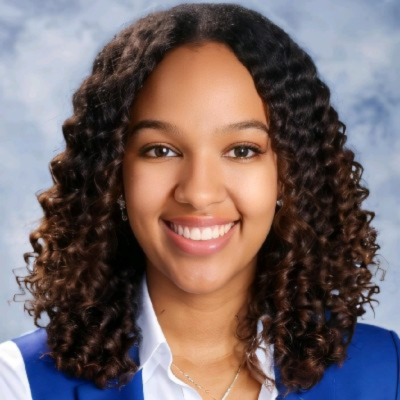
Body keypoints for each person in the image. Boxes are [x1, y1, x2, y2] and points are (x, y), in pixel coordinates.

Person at [0, 2, 399, 399]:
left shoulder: (387, 372)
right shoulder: (18, 383)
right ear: (113, 175)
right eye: (160, 150)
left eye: (242, 150)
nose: (198, 193)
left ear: (290, 175)